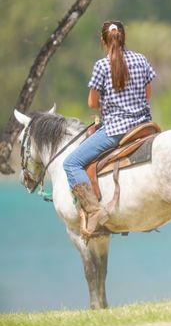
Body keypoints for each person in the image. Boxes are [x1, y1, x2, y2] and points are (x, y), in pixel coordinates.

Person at [63, 20, 156, 237]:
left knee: (72, 163)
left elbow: (92, 103)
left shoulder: (101, 66)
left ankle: (94, 211)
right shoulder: (141, 59)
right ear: (124, 38)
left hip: (117, 129)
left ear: (103, 41)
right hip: (144, 125)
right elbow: (147, 94)